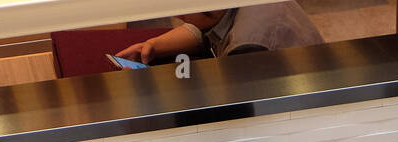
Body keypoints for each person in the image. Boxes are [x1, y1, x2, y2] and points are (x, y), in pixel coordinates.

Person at [116, 5, 322, 64]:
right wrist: (153, 45)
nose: (177, 15)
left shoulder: (245, 47)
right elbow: (204, 31)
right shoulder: (223, 10)